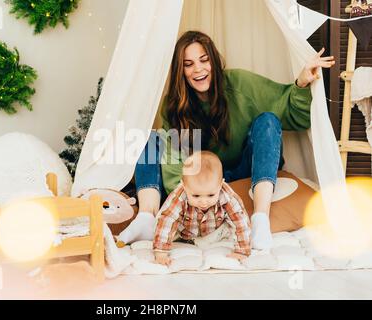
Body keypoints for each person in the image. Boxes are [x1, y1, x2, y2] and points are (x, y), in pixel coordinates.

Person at [118, 30, 336, 250]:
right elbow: (175, 164)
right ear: (181, 71)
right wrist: (197, 195)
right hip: (200, 184)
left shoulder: (240, 84)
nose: (199, 69)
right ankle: (146, 217)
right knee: (150, 138)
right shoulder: (175, 105)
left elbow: (291, 113)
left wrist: (301, 82)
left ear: (213, 60)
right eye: (189, 64)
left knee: (268, 120)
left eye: (204, 60)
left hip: (244, 173)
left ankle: (260, 219)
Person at [153, 151, 251, 266]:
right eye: (196, 196)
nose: (204, 202)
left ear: (220, 185)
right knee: (162, 219)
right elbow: (167, 220)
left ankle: (209, 240)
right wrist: (161, 253)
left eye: (210, 195)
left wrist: (243, 251)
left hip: (214, 230)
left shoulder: (226, 195)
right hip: (182, 231)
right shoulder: (179, 196)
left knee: (233, 226)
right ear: (184, 186)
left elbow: (240, 220)